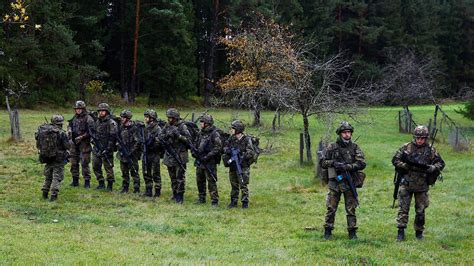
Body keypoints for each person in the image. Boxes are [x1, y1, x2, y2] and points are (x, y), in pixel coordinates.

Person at [392, 125, 445, 241]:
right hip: (406, 183)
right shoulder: (407, 147)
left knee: (420, 211)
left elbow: (441, 163)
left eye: (422, 138)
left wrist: (432, 168)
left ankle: (419, 233)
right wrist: (405, 165)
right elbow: (395, 160)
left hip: (422, 185)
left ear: (426, 138)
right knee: (403, 209)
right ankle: (400, 232)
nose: (419, 140)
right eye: (417, 138)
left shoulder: (430, 150)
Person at [320, 121, 366, 240]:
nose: (347, 134)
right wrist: (334, 163)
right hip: (335, 182)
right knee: (331, 207)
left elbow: (362, 163)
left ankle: (352, 232)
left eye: (348, 132)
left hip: (349, 180)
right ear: (340, 134)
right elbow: (323, 162)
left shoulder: (354, 147)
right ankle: (328, 230)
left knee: (351, 208)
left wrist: (348, 167)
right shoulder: (332, 147)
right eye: (344, 132)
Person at [222, 120, 256, 209]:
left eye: (233, 128)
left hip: (243, 166)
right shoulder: (231, 138)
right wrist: (228, 151)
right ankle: (233, 201)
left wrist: (242, 155)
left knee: (243, 184)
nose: (231, 130)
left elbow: (251, 152)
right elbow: (225, 147)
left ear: (238, 130)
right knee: (234, 185)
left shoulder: (246, 139)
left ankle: (245, 202)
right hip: (233, 165)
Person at [36, 115, 70, 201]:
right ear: (61, 123)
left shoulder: (45, 131)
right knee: (57, 177)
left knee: (48, 176)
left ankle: (44, 193)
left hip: (47, 157)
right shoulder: (61, 133)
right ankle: (53, 196)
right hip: (58, 158)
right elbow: (67, 146)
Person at [160, 108, 191, 203]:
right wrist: (167, 135)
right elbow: (160, 136)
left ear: (175, 118)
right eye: (168, 117)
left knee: (180, 178)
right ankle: (174, 193)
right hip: (170, 155)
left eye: (171, 118)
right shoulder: (167, 125)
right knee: (172, 177)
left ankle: (180, 196)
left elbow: (189, 141)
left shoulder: (182, 127)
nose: (169, 119)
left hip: (180, 156)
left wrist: (178, 136)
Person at [193, 114, 222, 206]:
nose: (200, 124)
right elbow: (196, 143)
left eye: (202, 122)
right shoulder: (200, 133)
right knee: (199, 180)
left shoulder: (214, 134)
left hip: (210, 162)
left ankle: (214, 200)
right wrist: (195, 152)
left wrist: (208, 156)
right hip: (200, 161)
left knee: (211, 181)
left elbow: (218, 148)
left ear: (207, 123)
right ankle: (201, 198)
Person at [67, 100, 95, 188]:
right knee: (73, 162)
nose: (78, 110)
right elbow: (70, 125)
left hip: (84, 144)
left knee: (84, 163)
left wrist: (82, 137)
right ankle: (75, 180)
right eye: (76, 109)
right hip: (74, 143)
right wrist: (69, 130)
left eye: (79, 109)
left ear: (83, 109)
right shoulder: (74, 117)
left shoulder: (88, 118)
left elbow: (91, 132)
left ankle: (87, 182)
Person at [91, 103, 117, 191]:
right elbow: (94, 131)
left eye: (103, 111)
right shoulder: (97, 121)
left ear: (107, 112)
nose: (101, 113)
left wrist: (108, 148)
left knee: (108, 167)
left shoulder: (111, 123)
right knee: (95, 165)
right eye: (100, 111)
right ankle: (101, 182)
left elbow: (113, 137)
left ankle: (110, 185)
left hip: (107, 148)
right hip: (97, 147)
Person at [117, 109, 142, 193]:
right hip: (123, 154)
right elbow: (118, 139)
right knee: (124, 172)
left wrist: (131, 152)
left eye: (123, 118)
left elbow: (138, 142)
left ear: (127, 118)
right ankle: (125, 187)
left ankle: (136, 188)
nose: (121, 119)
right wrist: (119, 147)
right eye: (121, 117)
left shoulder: (134, 128)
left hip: (132, 155)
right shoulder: (121, 127)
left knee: (134, 172)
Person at [142, 109, 163, 197]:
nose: (145, 119)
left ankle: (157, 191)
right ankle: (148, 190)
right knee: (146, 172)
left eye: (147, 117)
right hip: (146, 153)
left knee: (155, 173)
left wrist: (153, 144)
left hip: (154, 153)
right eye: (145, 117)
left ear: (152, 118)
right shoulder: (145, 128)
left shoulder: (157, 128)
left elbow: (160, 140)